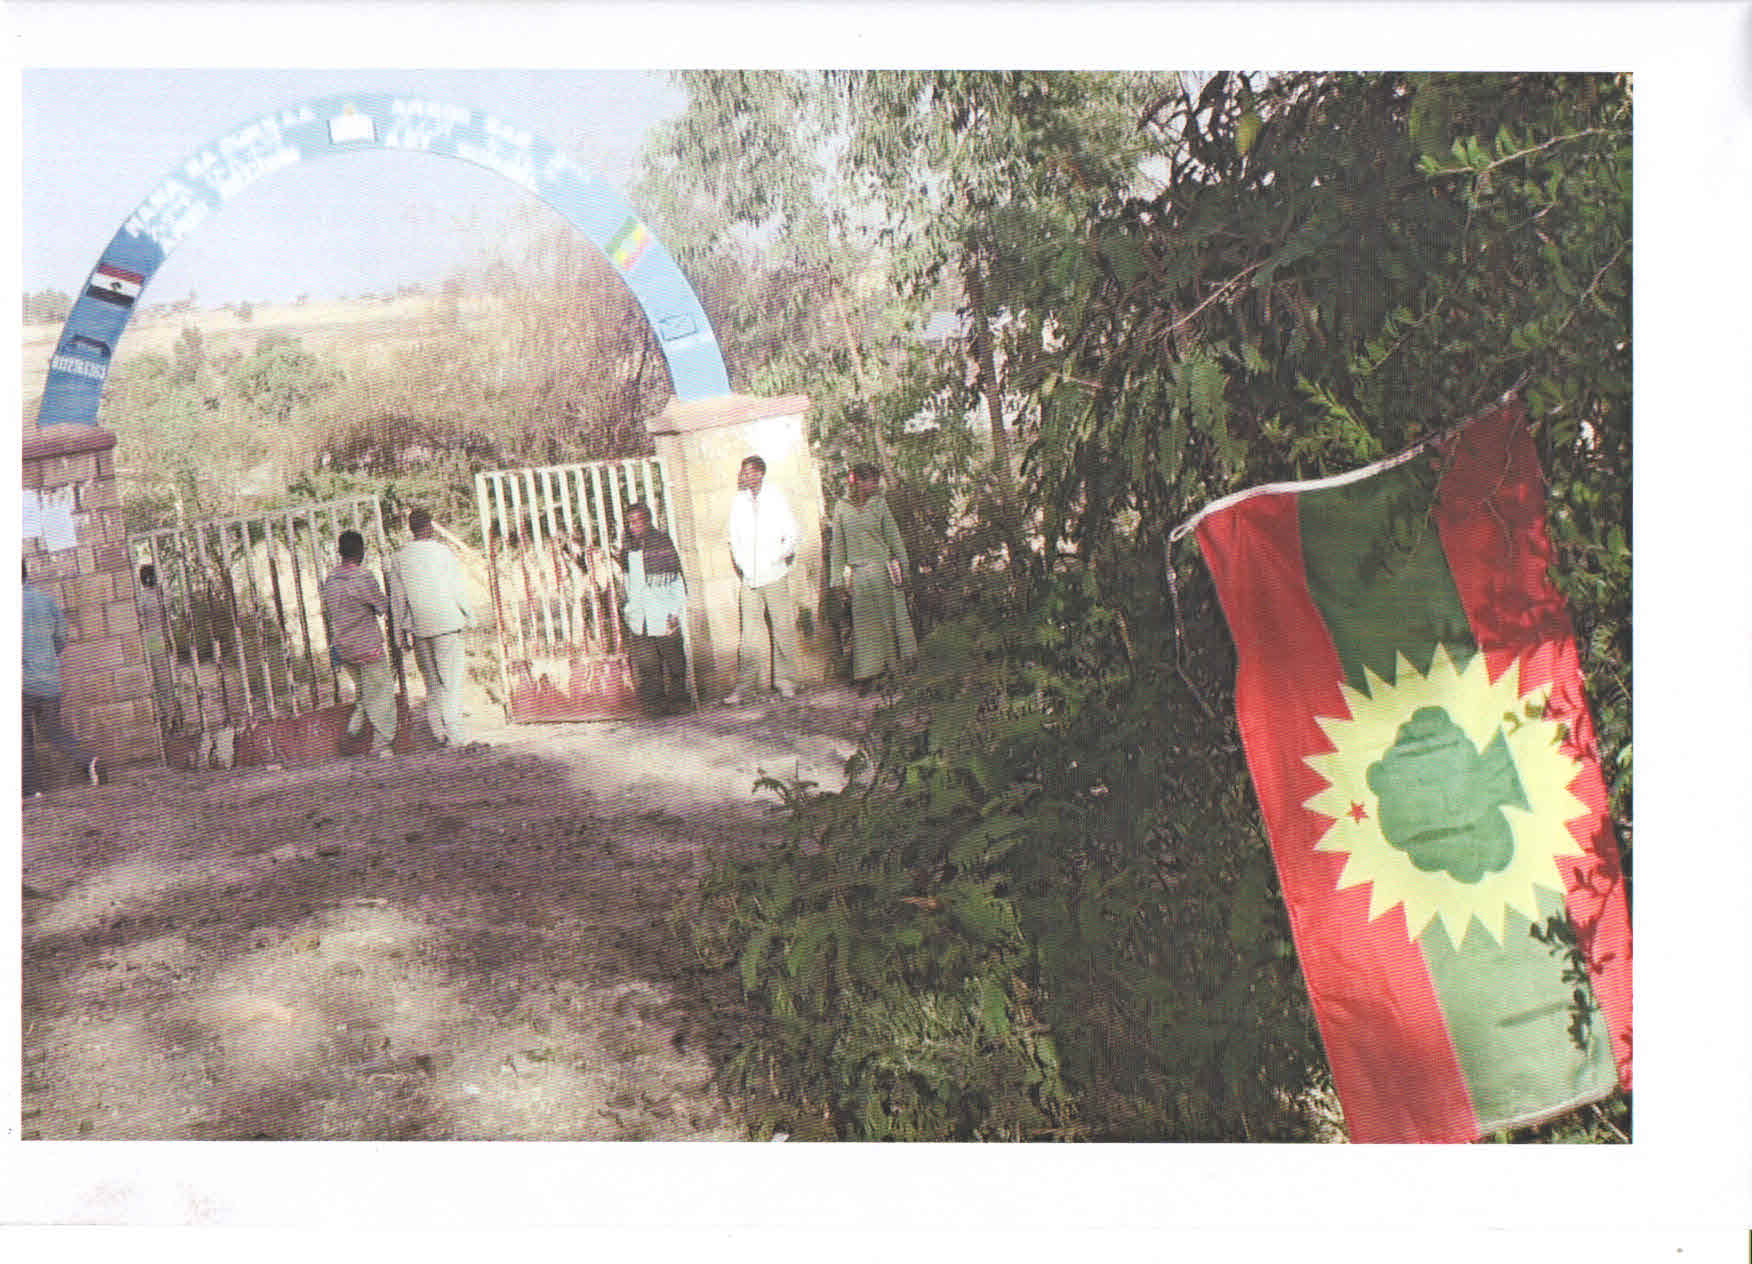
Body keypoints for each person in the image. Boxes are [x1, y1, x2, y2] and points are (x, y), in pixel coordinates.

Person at [830, 463, 918, 691]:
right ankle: (871, 674)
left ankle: (897, 671)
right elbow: (838, 545)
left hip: (883, 572)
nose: (876, 485)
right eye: (871, 480)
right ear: (858, 482)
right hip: (859, 576)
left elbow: (894, 537)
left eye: (877, 480)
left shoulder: (880, 504)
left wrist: (904, 567)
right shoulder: (842, 508)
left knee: (891, 621)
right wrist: (837, 580)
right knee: (866, 626)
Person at [389, 508, 473, 747]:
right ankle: (455, 733)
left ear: (410, 529)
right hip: (447, 623)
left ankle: (438, 733)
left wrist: (399, 634)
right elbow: (457, 588)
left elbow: (397, 600)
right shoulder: (443, 552)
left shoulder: (399, 558)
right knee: (451, 682)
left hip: (419, 627)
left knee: (432, 683)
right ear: (429, 526)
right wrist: (469, 615)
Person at [723, 454, 801, 704]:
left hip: (775, 573)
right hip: (750, 577)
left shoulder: (775, 497)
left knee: (782, 628)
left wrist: (778, 557)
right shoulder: (739, 501)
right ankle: (744, 687)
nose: (745, 477)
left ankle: (786, 683)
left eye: (749, 472)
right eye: (743, 472)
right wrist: (742, 564)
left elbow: (792, 533)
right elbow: (733, 537)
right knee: (749, 634)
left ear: (760, 474)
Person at [23, 558, 98, 798]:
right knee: (52, 730)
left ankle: (32, 789)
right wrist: (45, 659)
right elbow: (62, 637)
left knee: (22, 738)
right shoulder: (47, 601)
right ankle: (88, 760)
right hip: (50, 682)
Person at [321, 530, 398, 758]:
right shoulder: (362, 577)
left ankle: (354, 727)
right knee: (382, 695)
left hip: (343, 648)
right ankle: (382, 745)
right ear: (361, 551)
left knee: (365, 690)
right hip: (367, 647)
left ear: (340, 551)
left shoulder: (331, 579)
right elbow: (383, 606)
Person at [617, 502, 690, 714]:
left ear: (648, 520)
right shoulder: (628, 549)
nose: (633, 526)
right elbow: (626, 581)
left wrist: (674, 612)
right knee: (647, 664)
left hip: (663, 609)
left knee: (674, 659)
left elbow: (677, 581)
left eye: (638, 521)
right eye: (630, 522)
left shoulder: (663, 543)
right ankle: (655, 705)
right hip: (639, 614)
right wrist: (629, 609)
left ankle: (679, 702)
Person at [134, 563, 179, 730]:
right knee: (165, 677)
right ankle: (170, 713)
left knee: (160, 678)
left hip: (152, 638)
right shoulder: (162, 595)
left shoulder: (143, 598)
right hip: (162, 637)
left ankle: (168, 715)